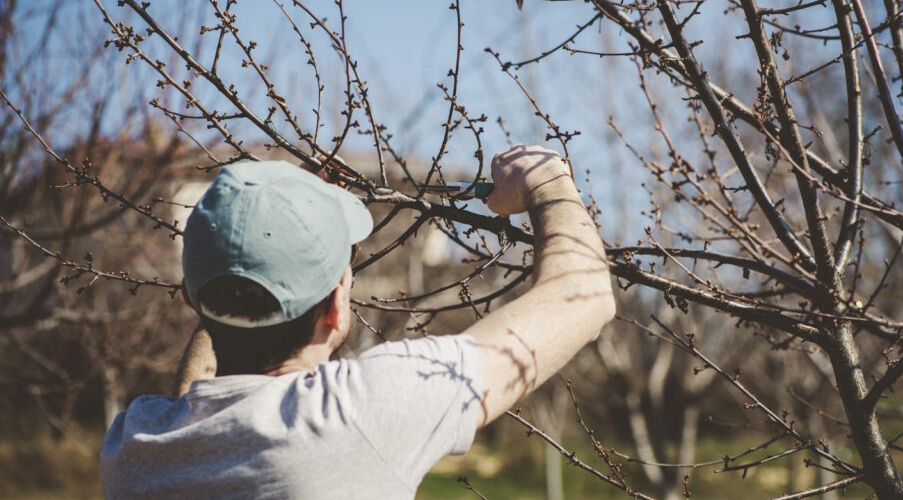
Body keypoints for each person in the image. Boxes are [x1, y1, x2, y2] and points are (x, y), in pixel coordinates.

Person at [100, 145, 615, 499]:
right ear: (335, 310)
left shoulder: (135, 446)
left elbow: (201, 392)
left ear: (192, 298)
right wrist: (547, 181)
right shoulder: (359, 413)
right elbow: (583, 295)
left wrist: (278, 234)